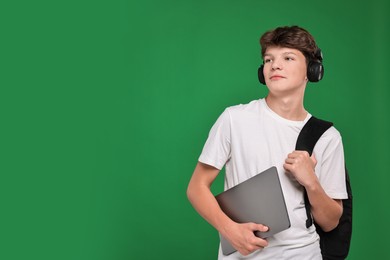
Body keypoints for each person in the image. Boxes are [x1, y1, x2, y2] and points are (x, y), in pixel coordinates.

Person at [186, 25, 348, 259]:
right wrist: (229, 229)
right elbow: (196, 187)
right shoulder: (234, 118)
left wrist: (311, 182)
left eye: (288, 57)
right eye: (269, 59)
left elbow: (331, 222)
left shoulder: (327, 137)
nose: (276, 65)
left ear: (311, 71)